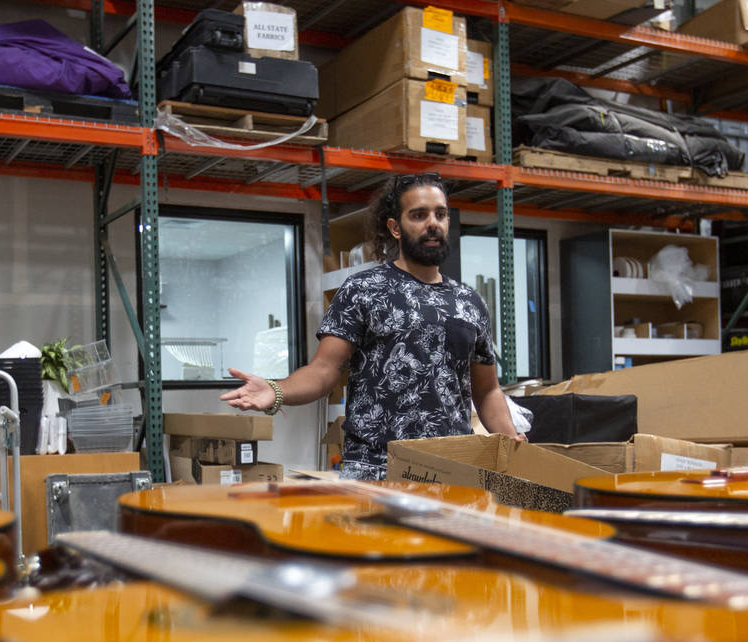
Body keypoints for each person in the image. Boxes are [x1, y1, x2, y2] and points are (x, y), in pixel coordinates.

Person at [220, 172, 523, 480]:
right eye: (419, 215)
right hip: (377, 470)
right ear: (395, 227)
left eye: (440, 214)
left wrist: (511, 439)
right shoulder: (363, 289)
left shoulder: (470, 302)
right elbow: (323, 371)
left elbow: (486, 391)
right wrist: (276, 390)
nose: (433, 223)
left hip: (452, 471)